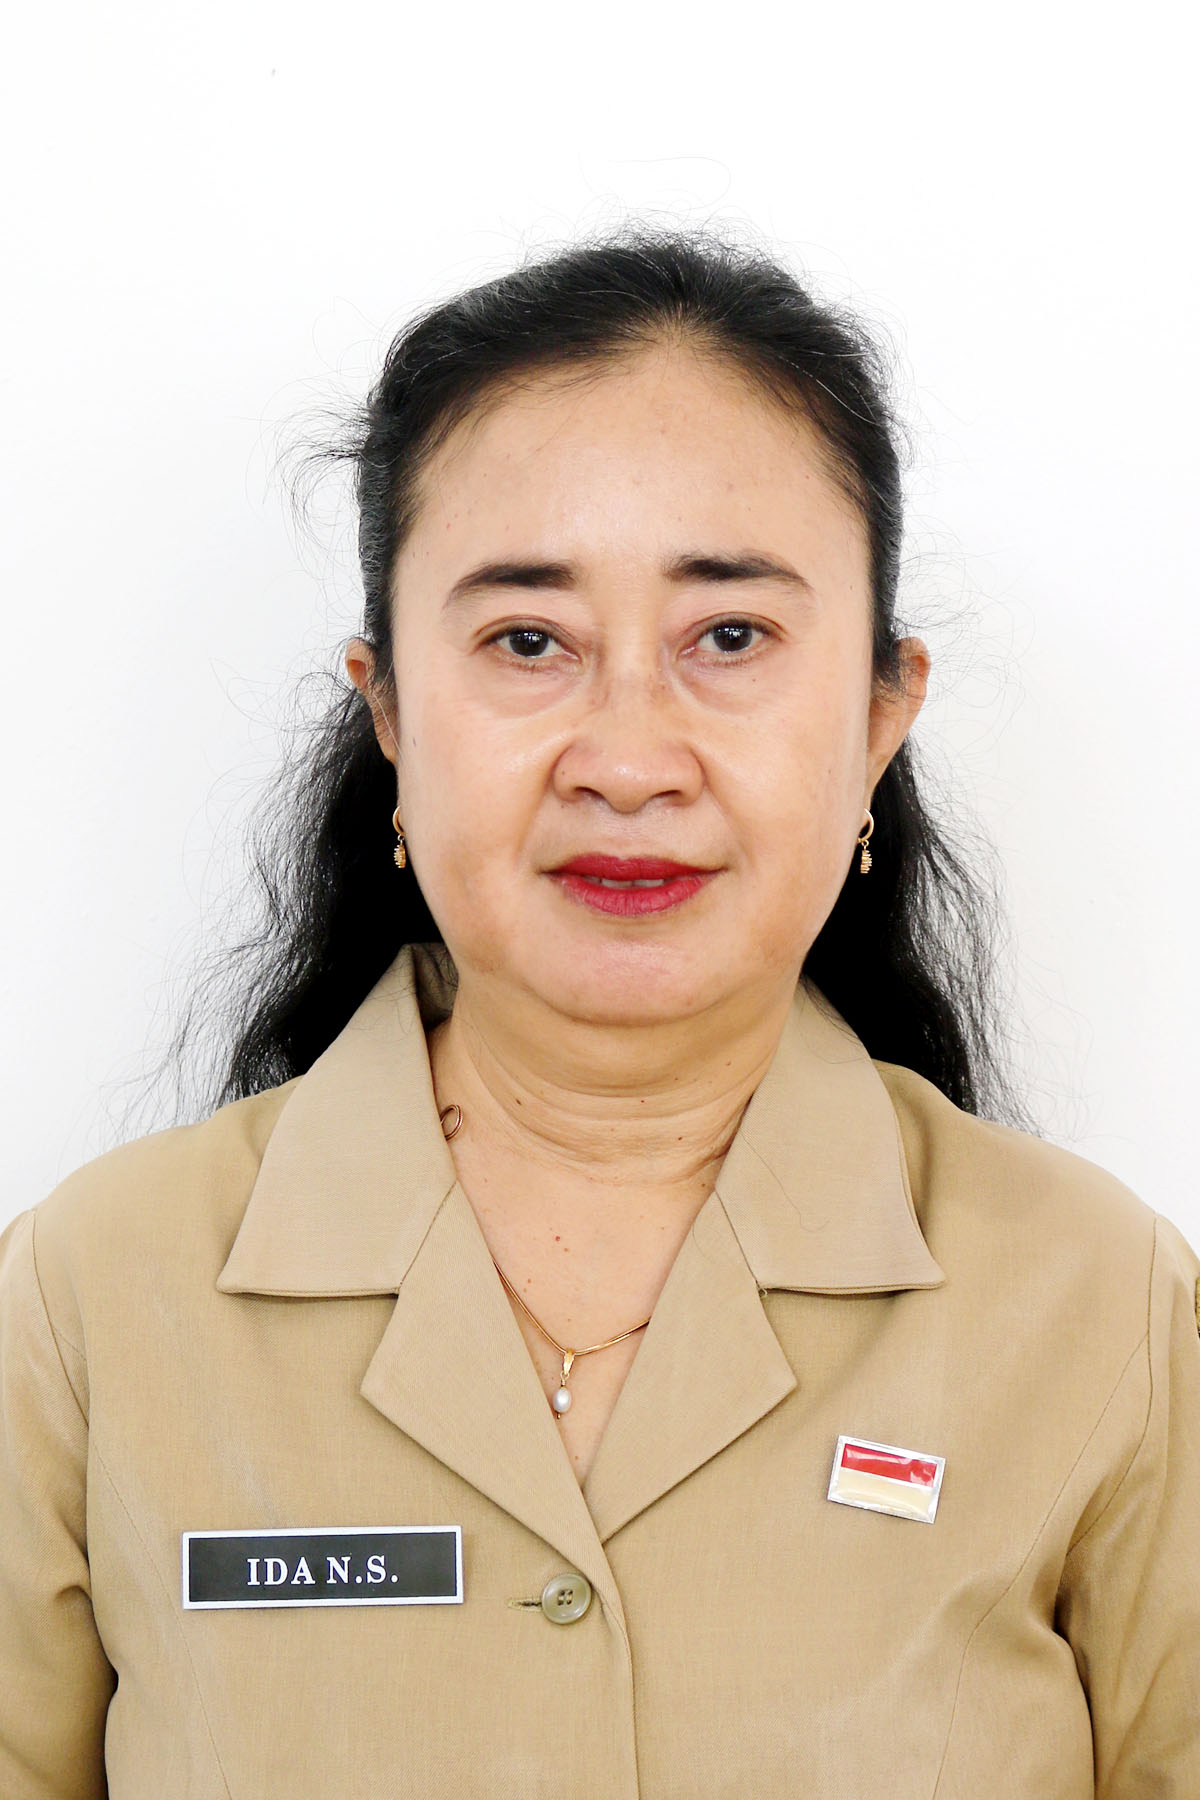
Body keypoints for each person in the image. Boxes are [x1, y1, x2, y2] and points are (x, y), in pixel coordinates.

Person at [1, 226, 1197, 1800]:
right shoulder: (89, 1301)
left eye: (731, 637)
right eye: (527, 642)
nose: (629, 760)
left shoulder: (1102, 1305)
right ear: (388, 709)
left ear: (879, 713)